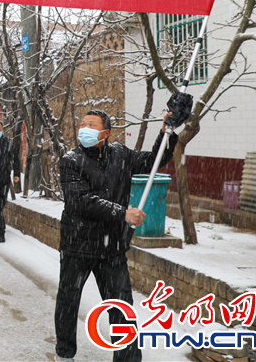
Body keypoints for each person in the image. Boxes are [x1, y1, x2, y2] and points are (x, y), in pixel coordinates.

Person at [54, 109, 178, 362]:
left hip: (111, 248)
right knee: (69, 301)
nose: (84, 128)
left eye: (92, 124)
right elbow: (80, 201)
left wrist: (168, 132)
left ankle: (128, 359)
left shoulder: (120, 154)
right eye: (83, 124)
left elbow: (154, 160)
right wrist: (123, 213)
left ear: (106, 133)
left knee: (122, 307)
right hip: (78, 244)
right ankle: (65, 354)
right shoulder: (70, 160)